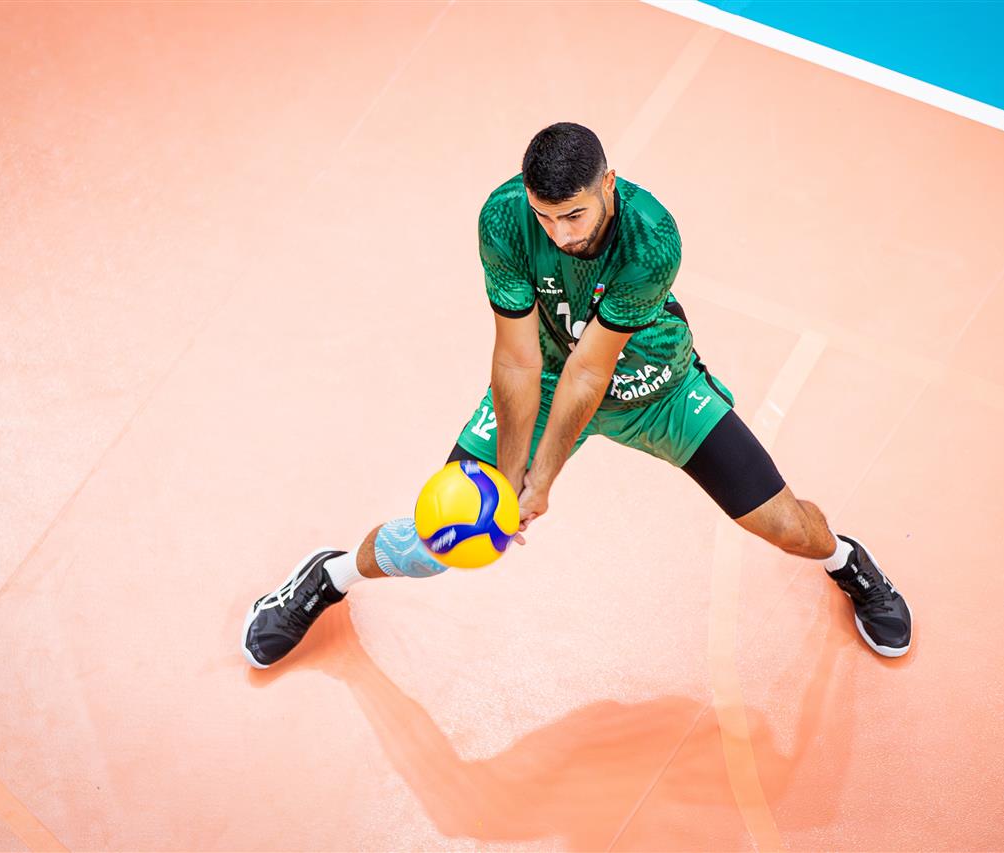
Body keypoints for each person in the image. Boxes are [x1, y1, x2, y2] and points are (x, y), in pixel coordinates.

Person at [241, 122, 912, 668]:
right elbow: (518, 357)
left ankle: (847, 561)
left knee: (785, 526)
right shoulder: (505, 220)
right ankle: (328, 577)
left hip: (655, 388)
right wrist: (508, 479)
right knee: (438, 539)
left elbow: (593, 372)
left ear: (608, 185)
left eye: (573, 215)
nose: (560, 233)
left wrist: (541, 479)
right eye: (546, 216)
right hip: (549, 374)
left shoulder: (651, 240)